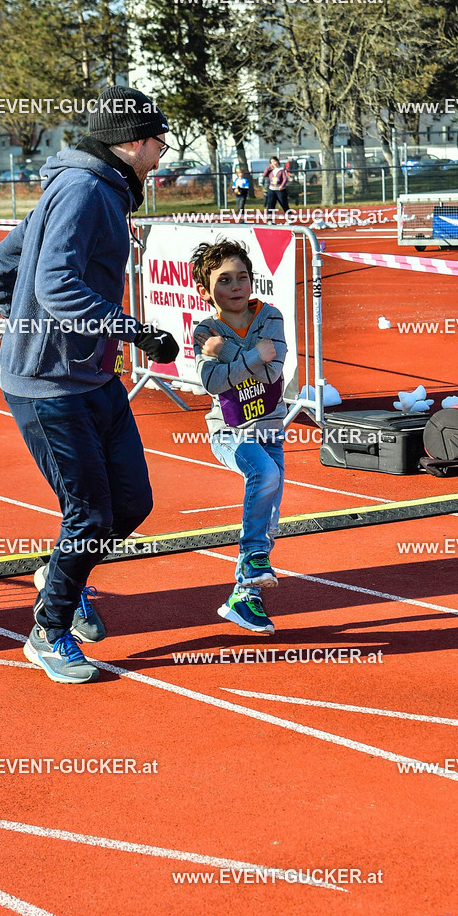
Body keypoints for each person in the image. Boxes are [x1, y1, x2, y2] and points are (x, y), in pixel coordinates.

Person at [0, 84, 179, 685]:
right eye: (159, 141)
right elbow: (55, 285)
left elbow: (6, 260)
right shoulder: (83, 189)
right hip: (50, 387)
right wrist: (131, 331)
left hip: (88, 375)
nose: (164, 151)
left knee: (131, 504)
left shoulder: (98, 186)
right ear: (132, 142)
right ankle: (48, 631)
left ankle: (58, 575)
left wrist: (15, 324)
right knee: (91, 515)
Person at [191, 238, 287, 634]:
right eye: (224, 280)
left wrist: (227, 353)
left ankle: (244, 598)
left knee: (269, 519)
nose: (235, 287)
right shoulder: (204, 331)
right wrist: (249, 355)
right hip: (229, 432)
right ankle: (251, 559)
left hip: (271, 430)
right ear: (205, 290)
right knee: (264, 476)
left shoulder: (271, 317)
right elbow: (212, 383)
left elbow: (272, 372)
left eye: (242, 277)